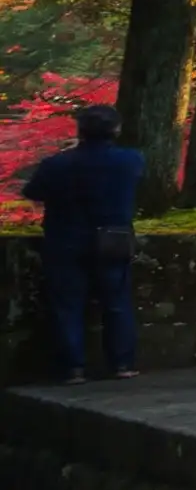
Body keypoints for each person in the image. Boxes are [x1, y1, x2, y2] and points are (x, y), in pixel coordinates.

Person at [19, 104, 144, 383]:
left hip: (65, 239)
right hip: (113, 238)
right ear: (116, 130)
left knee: (68, 305)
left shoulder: (58, 164)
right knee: (117, 302)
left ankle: (72, 368)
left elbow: (33, 191)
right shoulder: (131, 160)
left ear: (80, 130)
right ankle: (121, 363)